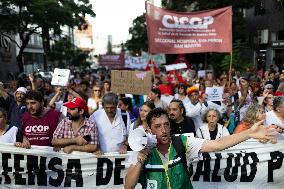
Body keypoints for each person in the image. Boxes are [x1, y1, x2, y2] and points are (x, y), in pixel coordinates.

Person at [125, 108, 278, 189]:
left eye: (166, 125)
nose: (163, 130)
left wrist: (249, 133)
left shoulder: (182, 143)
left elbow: (218, 144)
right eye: (158, 127)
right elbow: (128, 186)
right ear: (150, 130)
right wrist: (140, 161)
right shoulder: (142, 148)